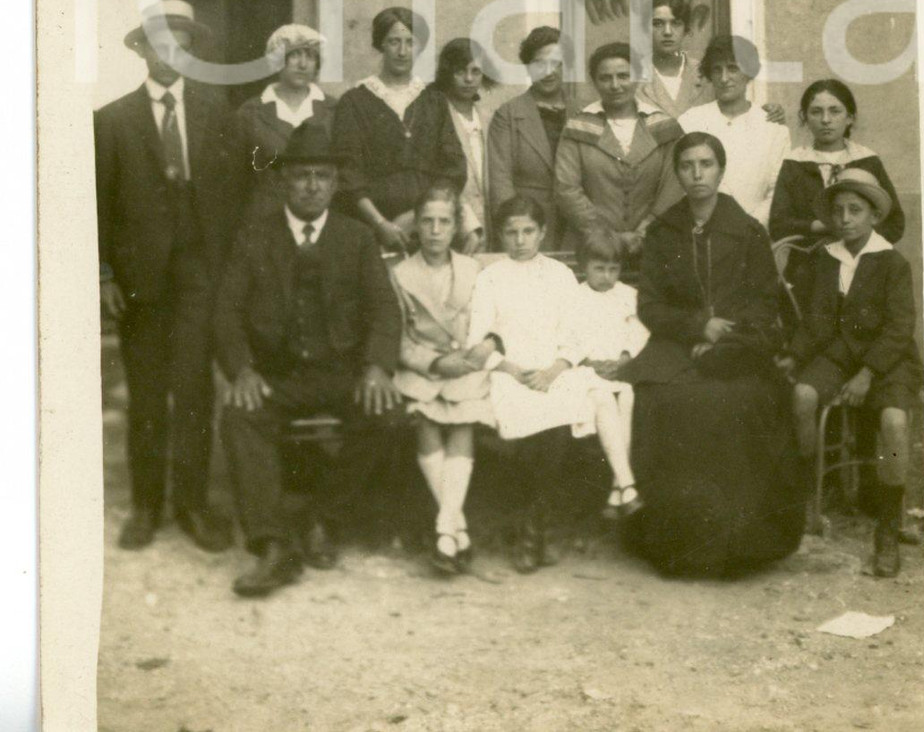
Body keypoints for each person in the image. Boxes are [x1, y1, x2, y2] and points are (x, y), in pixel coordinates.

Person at [215, 120, 403, 598]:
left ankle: (325, 519)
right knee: (240, 414)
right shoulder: (255, 234)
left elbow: (384, 309)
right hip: (276, 375)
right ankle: (274, 544)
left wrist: (378, 367)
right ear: (283, 182)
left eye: (322, 175)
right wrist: (241, 370)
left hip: (340, 373)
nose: (313, 185)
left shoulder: (356, 237)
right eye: (302, 176)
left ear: (335, 183)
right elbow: (227, 310)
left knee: (387, 414)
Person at [94, 0, 242, 553]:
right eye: (158, 43)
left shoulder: (215, 113)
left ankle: (194, 505)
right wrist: (105, 273)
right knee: (149, 394)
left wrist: (226, 269)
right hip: (140, 278)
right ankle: (147, 506)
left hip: (199, 273)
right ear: (143, 50)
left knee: (195, 389)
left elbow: (233, 195)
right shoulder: (112, 121)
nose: (168, 53)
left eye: (179, 43)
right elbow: (99, 206)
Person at [623, 132, 805, 577]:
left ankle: (743, 547)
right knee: (667, 402)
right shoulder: (664, 232)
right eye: (688, 165)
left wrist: (725, 336)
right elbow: (650, 305)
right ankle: (678, 547)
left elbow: (765, 301)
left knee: (744, 402)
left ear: (721, 171)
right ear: (679, 173)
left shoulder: (746, 231)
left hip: (739, 348)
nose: (697, 173)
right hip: (676, 346)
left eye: (706, 164)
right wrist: (695, 327)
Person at [465, 196, 641, 572]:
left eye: (528, 231)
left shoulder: (560, 275)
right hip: (509, 374)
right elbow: (477, 341)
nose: (520, 240)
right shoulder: (490, 277)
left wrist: (554, 369)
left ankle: (532, 523)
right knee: (526, 416)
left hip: (557, 370)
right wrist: (511, 369)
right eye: (511, 232)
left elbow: (573, 335)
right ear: (501, 234)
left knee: (564, 413)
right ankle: (534, 525)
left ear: (543, 232)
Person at [784, 168, 922, 578]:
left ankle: (887, 524)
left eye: (855, 210)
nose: (845, 218)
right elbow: (818, 321)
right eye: (839, 210)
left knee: (894, 421)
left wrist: (867, 373)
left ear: (874, 216)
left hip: (889, 361)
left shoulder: (892, 262)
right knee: (803, 395)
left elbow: (900, 330)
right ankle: (812, 495)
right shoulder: (827, 259)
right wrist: (794, 355)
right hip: (839, 354)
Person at [391, 183, 493, 574]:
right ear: (416, 226)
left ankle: (445, 530)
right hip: (424, 369)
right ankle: (456, 530)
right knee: (427, 422)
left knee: (464, 421)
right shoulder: (400, 274)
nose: (435, 230)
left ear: (455, 228)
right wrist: (434, 364)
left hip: (466, 365)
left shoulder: (472, 270)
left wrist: (478, 351)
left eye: (444, 222)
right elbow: (398, 338)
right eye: (427, 222)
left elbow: (488, 321)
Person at [332, 7, 466, 254]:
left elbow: (454, 167)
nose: (403, 51)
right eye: (394, 42)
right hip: (370, 227)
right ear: (380, 45)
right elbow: (347, 174)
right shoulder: (354, 102)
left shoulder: (434, 101)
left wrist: (418, 217)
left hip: (430, 226)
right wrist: (380, 224)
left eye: (410, 43)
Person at [555, 42, 682, 268]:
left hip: (654, 244)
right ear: (594, 81)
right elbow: (566, 188)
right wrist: (606, 236)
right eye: (605, 78)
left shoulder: (663, 126)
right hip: (594, 247)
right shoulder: (579, 126)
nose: (615, 85)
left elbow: (674, 185)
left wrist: (646, 230)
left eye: (623, 76)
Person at [769, 78, 906, 247]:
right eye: (816, 112)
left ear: (850, 118)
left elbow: (894, 223)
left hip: (861, 261)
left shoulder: (866, 160)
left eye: (835, 111)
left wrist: (860, 238)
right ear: (805, 118)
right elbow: (778, 226)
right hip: (809, 263)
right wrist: (820, 226)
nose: (826, 120)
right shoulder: (795, 162)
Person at [575, 224, 650, 517]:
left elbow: (639, 332)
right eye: (599, 269)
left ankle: (619, 489)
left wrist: (624, 356)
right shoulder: (574, 296)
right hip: (586, 373)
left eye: (613, 269)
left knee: (628, 396)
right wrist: (590, 361)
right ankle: (626, 485)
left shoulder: (627, 295)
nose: (607, 277)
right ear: (584, 267)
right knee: (604, 399)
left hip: (620, 369)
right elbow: (568, 335)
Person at [678, 33, 790, 228]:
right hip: (700, 230)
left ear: (748, 72)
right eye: (717, 69)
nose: (724, 78)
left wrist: (749, 226)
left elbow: (777, 191)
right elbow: (679, 183)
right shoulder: (690, 121)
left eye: (733, 69)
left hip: (755, 231)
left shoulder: (772, 128)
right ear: (709, 75)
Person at [486, 26, 575, 252]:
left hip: (576, 226)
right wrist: (518, 231)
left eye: (557, 63)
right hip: (528, 227)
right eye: (539, 64)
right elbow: (500, 181)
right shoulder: (508, 115)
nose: (549, 71)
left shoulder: (583, 112)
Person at [236, 24, 336, 217]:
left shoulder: (333, 109)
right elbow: (238, 179)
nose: (303, 64)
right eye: (294, 55)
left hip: (320, 218)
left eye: (310, 56)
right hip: (265, 217)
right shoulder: (250, 113)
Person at [433, 37, 496, 253]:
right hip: (455, 220)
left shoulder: (488, 118)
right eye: (460, 72)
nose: (469, 79)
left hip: (489, 221)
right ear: (448, 73)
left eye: (475, 72)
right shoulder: (437, 116)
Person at [635, 0, 710, 118]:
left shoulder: (705, 73)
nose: (667, 32)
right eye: (657, 24)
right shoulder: (633, 75)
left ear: (686, 30)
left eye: (676, 23)